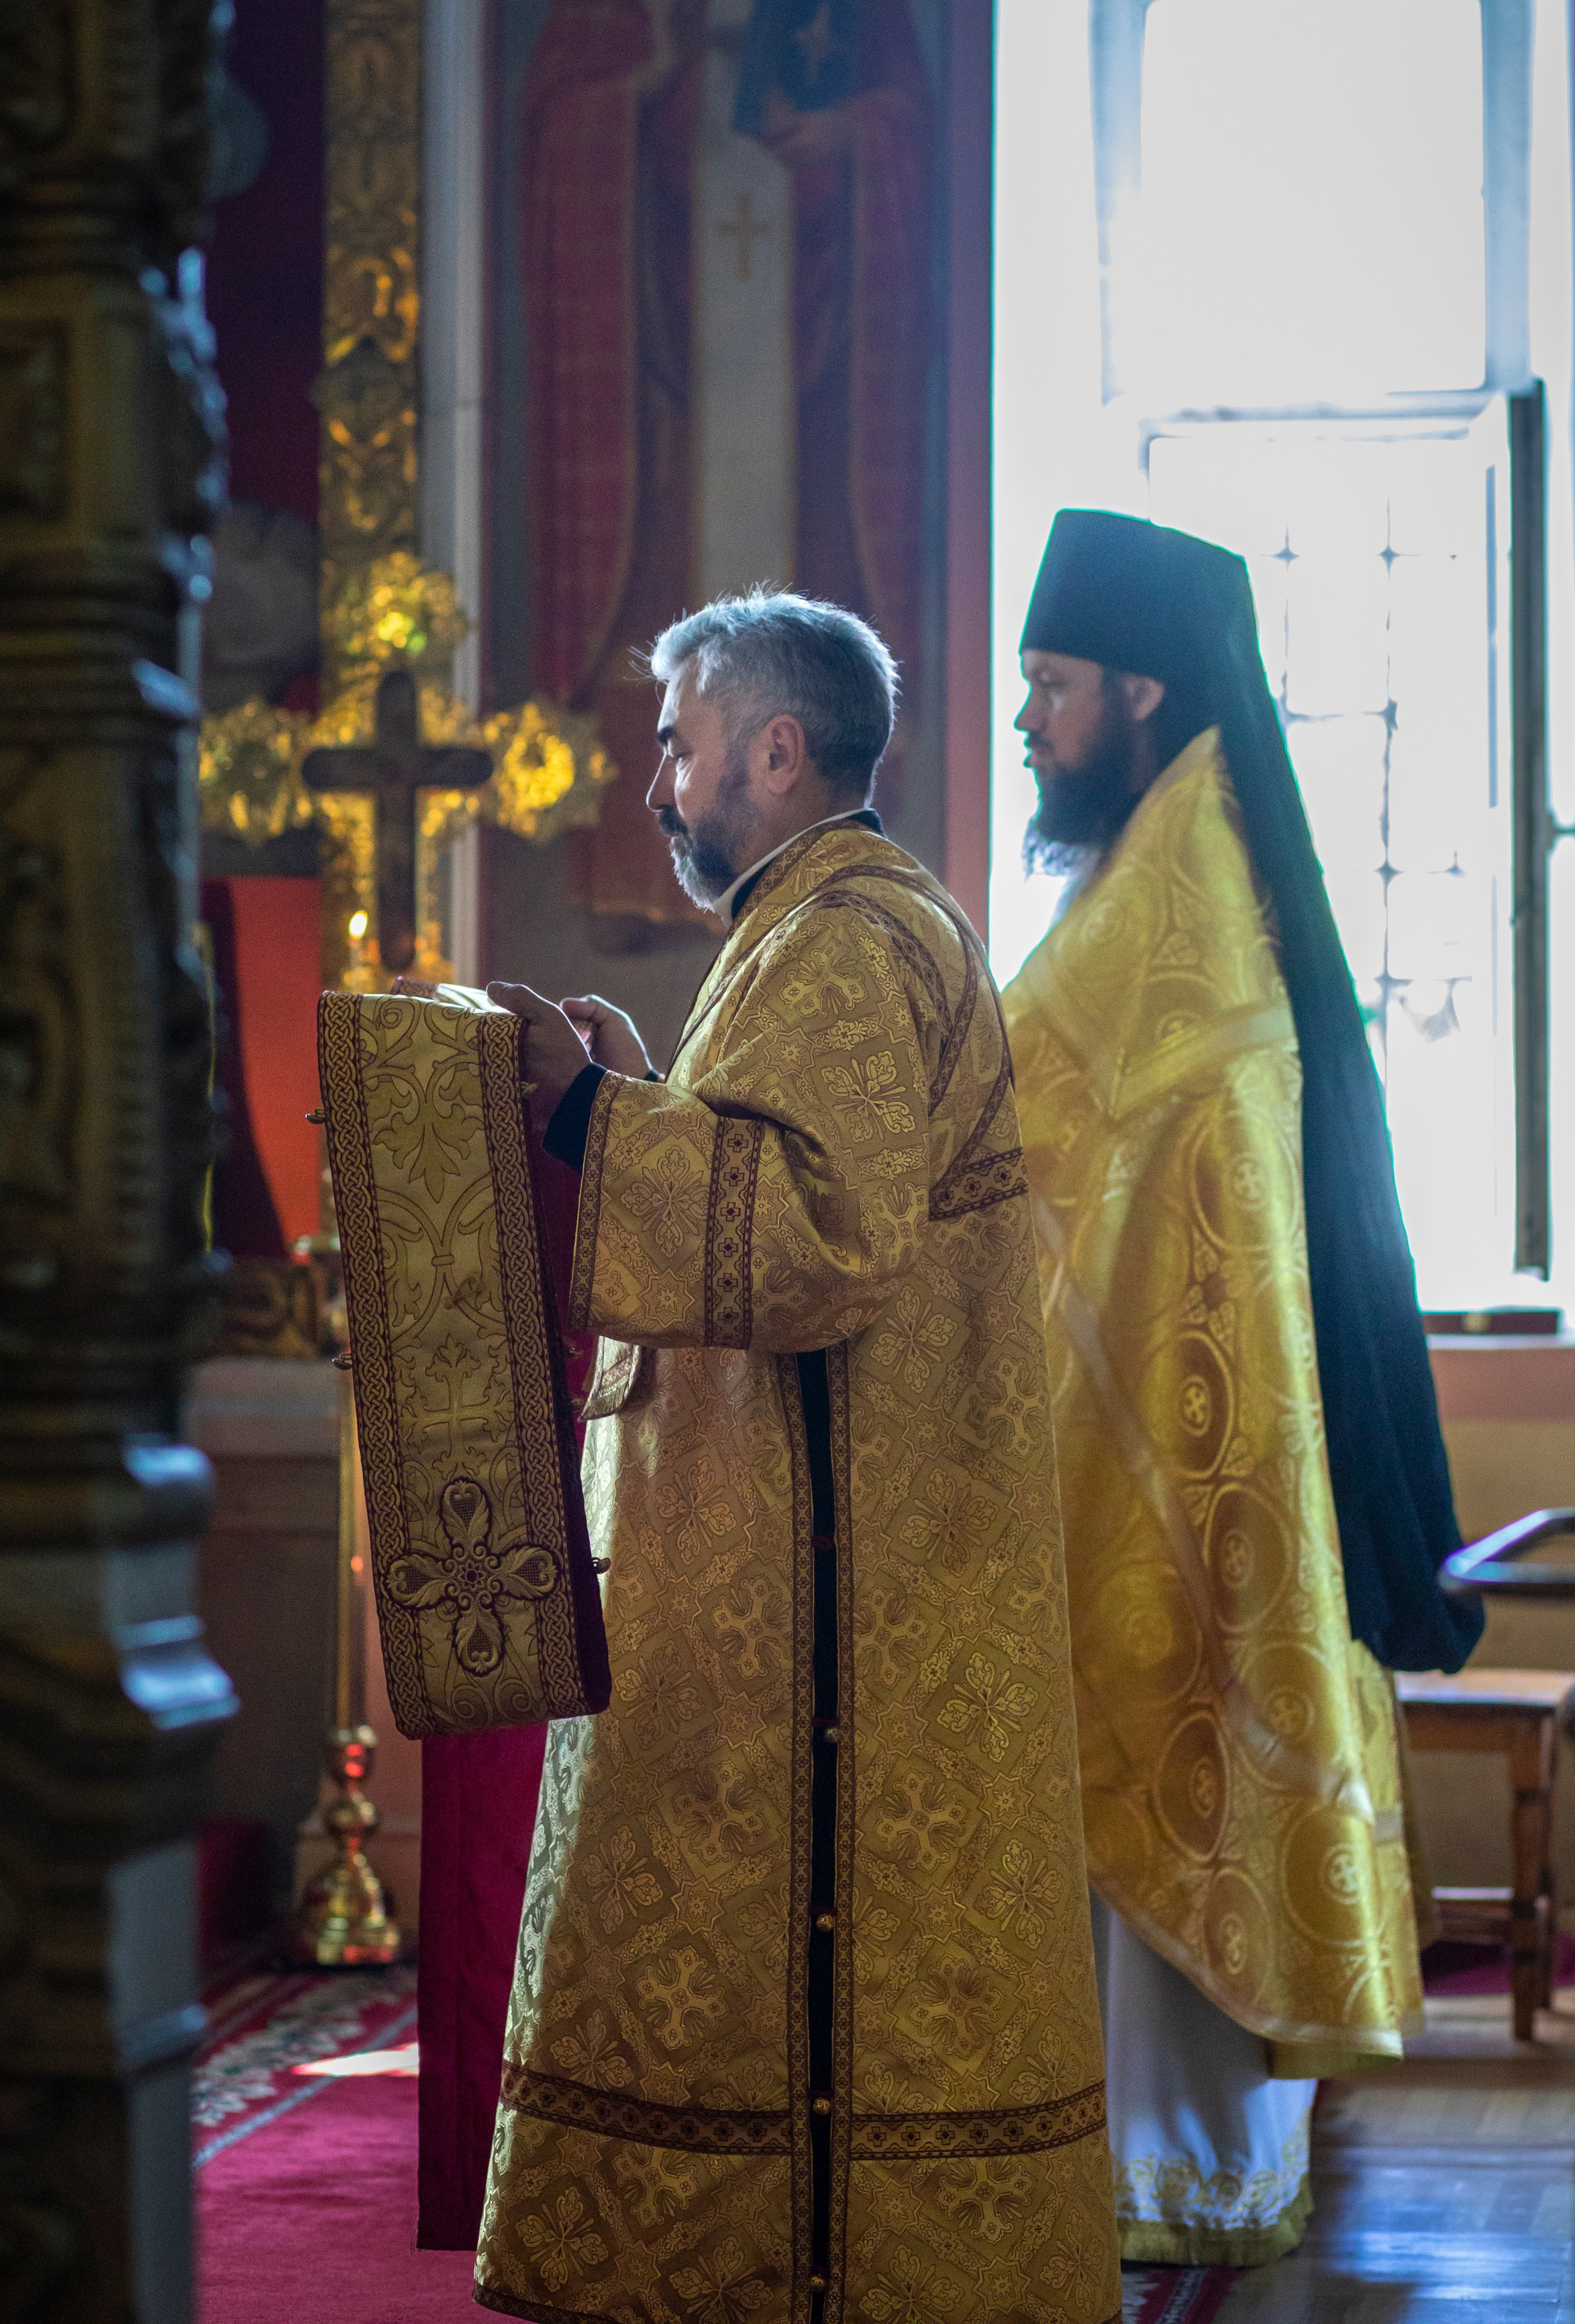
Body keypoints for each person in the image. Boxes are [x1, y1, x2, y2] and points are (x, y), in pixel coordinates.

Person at [478, 593, 1121, 2324]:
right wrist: (641, 1099)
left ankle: (796, 2274)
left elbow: (819, 1240)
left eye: (678, 745)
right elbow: (774, 1171)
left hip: (829, 1602)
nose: (655, 783)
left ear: (776, 748)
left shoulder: (839, 935)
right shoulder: (825, 921)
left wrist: (577, 1116)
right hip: (811, 1545)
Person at [1000, 509, 1482, 2269]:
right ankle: (1204, 2160)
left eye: (1052, 684)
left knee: (1159, 1732)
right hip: (1203, 1423)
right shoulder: (1185, 855)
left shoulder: (1176, 892)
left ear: (1140, 687)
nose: (1034, 716)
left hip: (1185, 1441)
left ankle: (1170, 2167)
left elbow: (1007, 1111)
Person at [520, 0, 931, 927]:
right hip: (666, 331)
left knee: (797, 543)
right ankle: (626, 891)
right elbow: (558, 122)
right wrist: (646, 86)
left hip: (802, 312)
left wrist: (850, 141)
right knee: (667, 568)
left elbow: (905, 114)